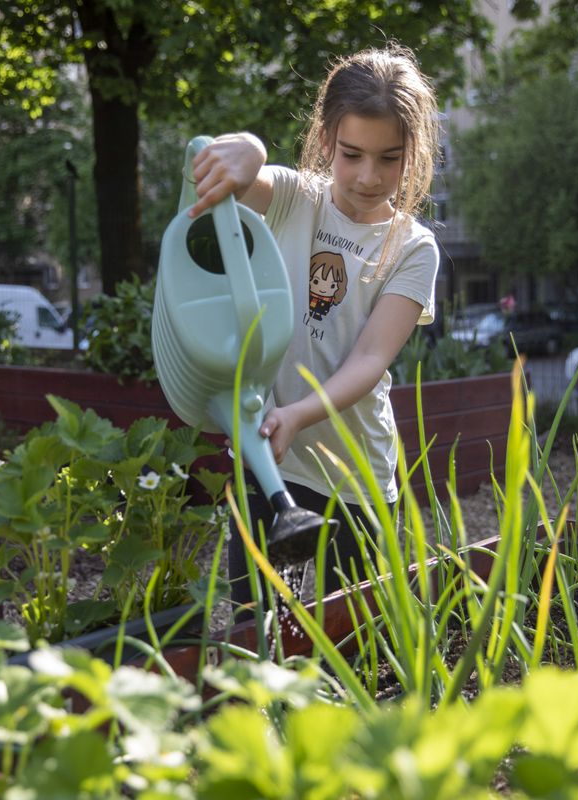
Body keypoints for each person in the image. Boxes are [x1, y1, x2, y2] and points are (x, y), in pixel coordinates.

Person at [187, 44, 441, 611]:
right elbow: (247, 173)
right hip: (268, 458)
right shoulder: (296, 200)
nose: (369, 176)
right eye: (351, 154)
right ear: (326, 139)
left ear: (413, 155)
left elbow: (371, 359)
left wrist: (298, 414)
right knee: (256, 619)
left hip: (356, 476)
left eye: (389, 158)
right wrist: (248, 147)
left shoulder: (415, 248)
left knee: (348, 639)